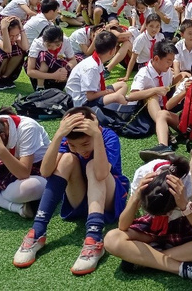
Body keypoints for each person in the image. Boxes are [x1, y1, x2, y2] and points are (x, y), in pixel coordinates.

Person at [12, 107, 130, 275]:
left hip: (110, 200)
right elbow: (45, 172)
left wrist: (96, 136)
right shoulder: (67, 142)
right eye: (73, 144)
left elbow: (101, 173)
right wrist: (59, 135)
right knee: (66, 159)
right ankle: (37, 231)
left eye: (85, 144)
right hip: (81, 199)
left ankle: (94, 238)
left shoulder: (107, 136)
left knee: (92, 165)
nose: (80, 150)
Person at [104, 155, 192, 285]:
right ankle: (181, 268)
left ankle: (145, 258)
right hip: (152, 229)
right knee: (112, 239)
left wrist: (184, 205)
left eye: (166, 213)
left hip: (184, 225)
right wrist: (136, 196)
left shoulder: (189, 182)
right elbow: (123, 225)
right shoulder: (143, 174)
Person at [128, 40, 179, 161]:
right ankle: (165, 132)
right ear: (156, 59)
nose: (171, 64)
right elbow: (132, 96)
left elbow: (170, 83)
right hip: (144, 110)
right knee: (152, 96)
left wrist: (182, 76)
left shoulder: (166, 71)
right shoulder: (143, 74)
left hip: (162, 107)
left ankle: (166, 129)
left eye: (172, 61)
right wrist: (155, 90)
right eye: (168, 61)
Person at [65, 30, 129, 108]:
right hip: (82, 102)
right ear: (112, 51)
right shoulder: (92, 67)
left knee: (122, 85)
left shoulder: (96, 60)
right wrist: (105, 92)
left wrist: (106, 92)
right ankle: (118, 109)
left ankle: (112, 106)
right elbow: (90, 96)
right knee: (117, 97)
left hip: (94, 93)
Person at [26, 25, 78, 90]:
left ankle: (65, 82)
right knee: (44, 56)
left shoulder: (65, 41)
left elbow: (73, 60)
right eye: (49, 45)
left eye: (58, 45)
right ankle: (40, 86)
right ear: (43, 40)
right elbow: (30, 71)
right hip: (40, 73)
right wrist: (54, 76)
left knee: (79, 62)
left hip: (58, 69)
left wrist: (65, 69)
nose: (54, 48)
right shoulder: (37, 43)